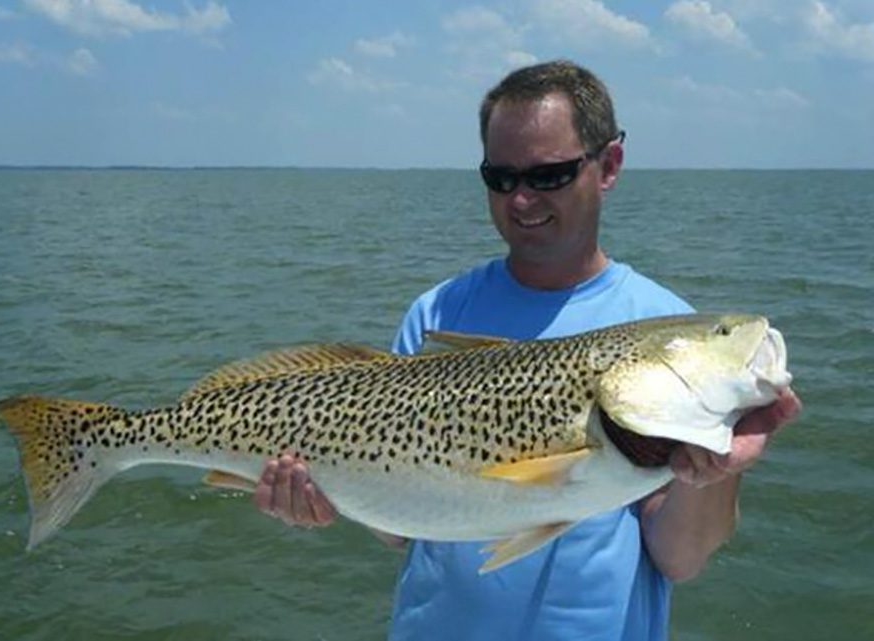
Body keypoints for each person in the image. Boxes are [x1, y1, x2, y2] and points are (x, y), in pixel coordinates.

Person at [251, 60, 802, 640]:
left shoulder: (658, 319)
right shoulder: (436, 315)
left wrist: (712, 473)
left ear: (608, 164)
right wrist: (321, 499)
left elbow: (680, 559)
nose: (520, 200)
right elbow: (404, 530)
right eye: (500, 178)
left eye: (548, 176)